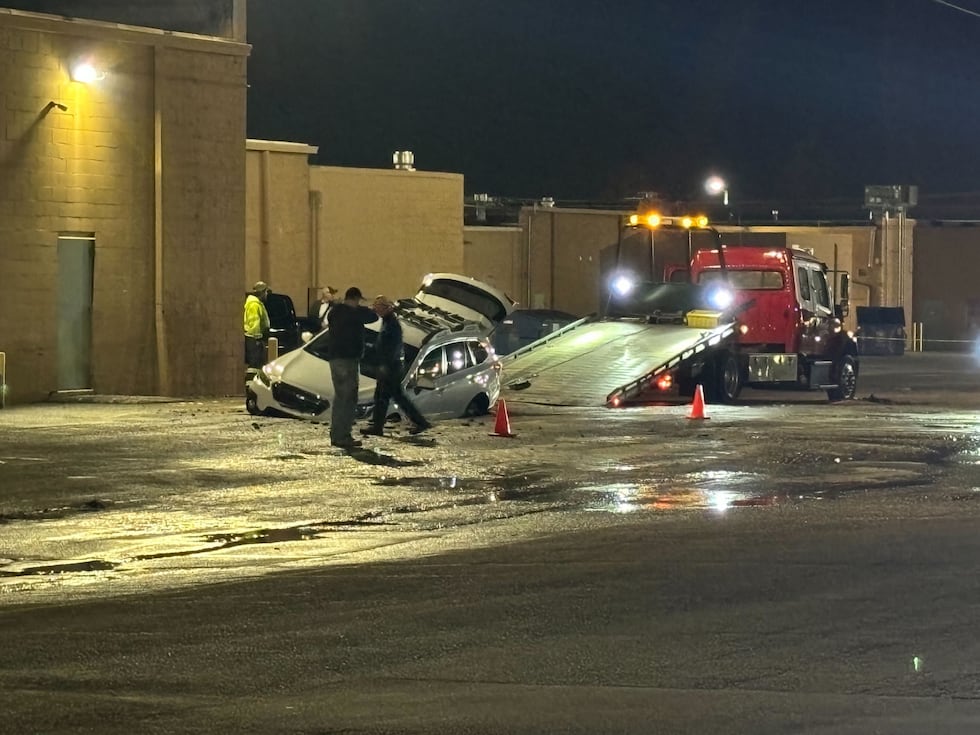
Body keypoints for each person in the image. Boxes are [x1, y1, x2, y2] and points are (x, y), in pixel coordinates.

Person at [361, 295, 433, 437]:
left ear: (384, 308)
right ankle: (380, 425)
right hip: (391, 366)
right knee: (388, 396)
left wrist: (384, 365)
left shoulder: (392, 324)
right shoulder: (388, 322)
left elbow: (391, 347)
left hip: (390, 367)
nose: (376, 310)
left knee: (385, 396)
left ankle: (380, 426)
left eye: (377, 307)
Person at [325, 286, 379, 449]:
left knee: (340, 397)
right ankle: (343, 436)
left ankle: (336, 434)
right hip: (348, 360)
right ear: (355, 299)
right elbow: (372, 316)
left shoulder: (334, 312)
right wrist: (366, 307)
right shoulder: (355, 314)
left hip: (335, 359)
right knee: (348, 398)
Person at [244, 281, 272, 371]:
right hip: (254, 339)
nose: (267, 294)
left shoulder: (257, 303)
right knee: (255, 365)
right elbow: (254, 322)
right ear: (262, 292)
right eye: (266, 292)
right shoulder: (254, 305)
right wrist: (257, 338)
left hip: (255, 339)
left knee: (258, 364)